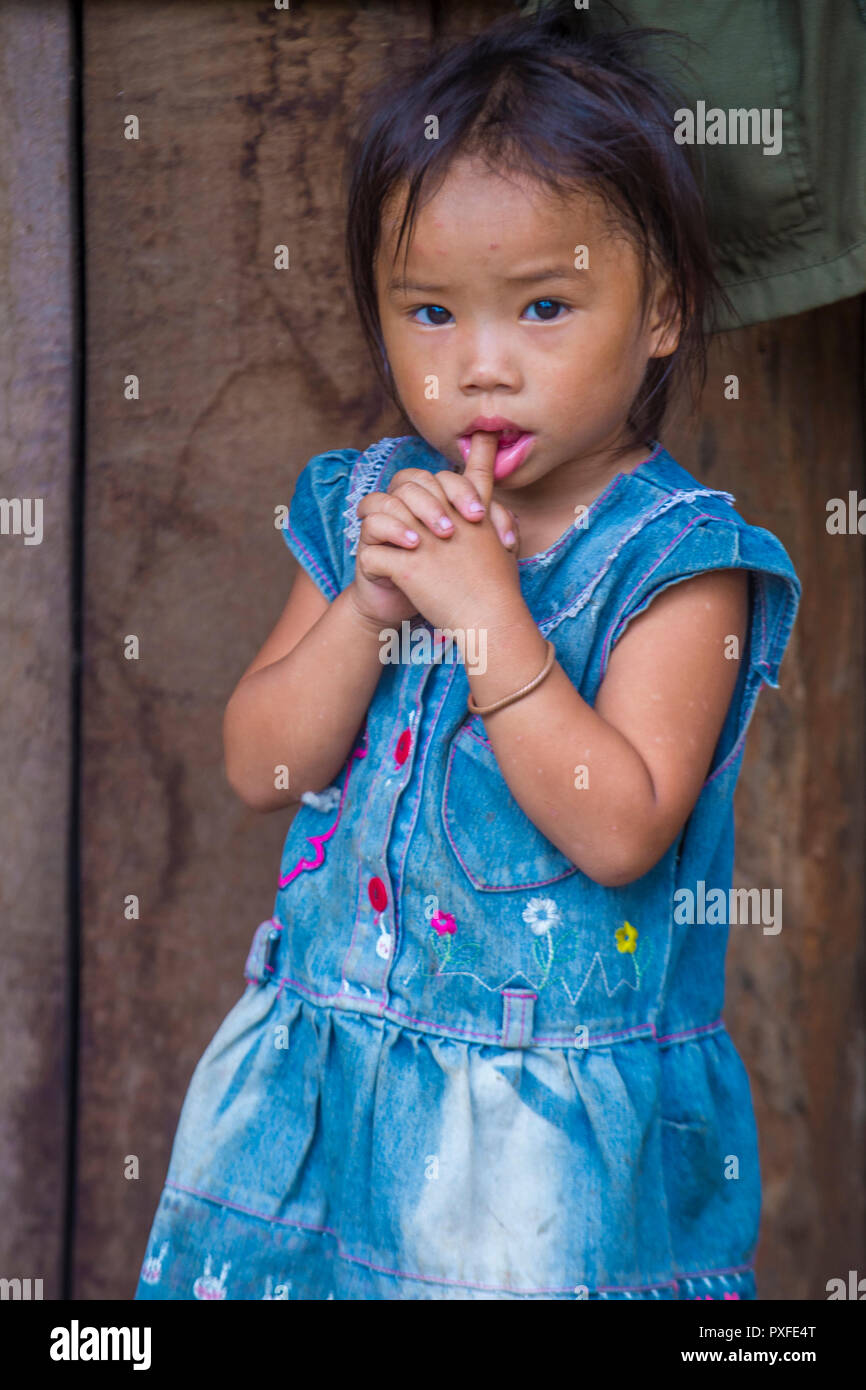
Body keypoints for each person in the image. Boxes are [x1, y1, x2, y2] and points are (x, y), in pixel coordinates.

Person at [134, 6, 801, 1301]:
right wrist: (367, 606)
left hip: (539, 1142)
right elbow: (257, 762)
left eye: (544, 306)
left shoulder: (675, 561)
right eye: (429, 311)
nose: (480, 368)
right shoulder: (365, 506)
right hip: (328, 1090)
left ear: (659, 309)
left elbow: (621, 828)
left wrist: (486, 614)